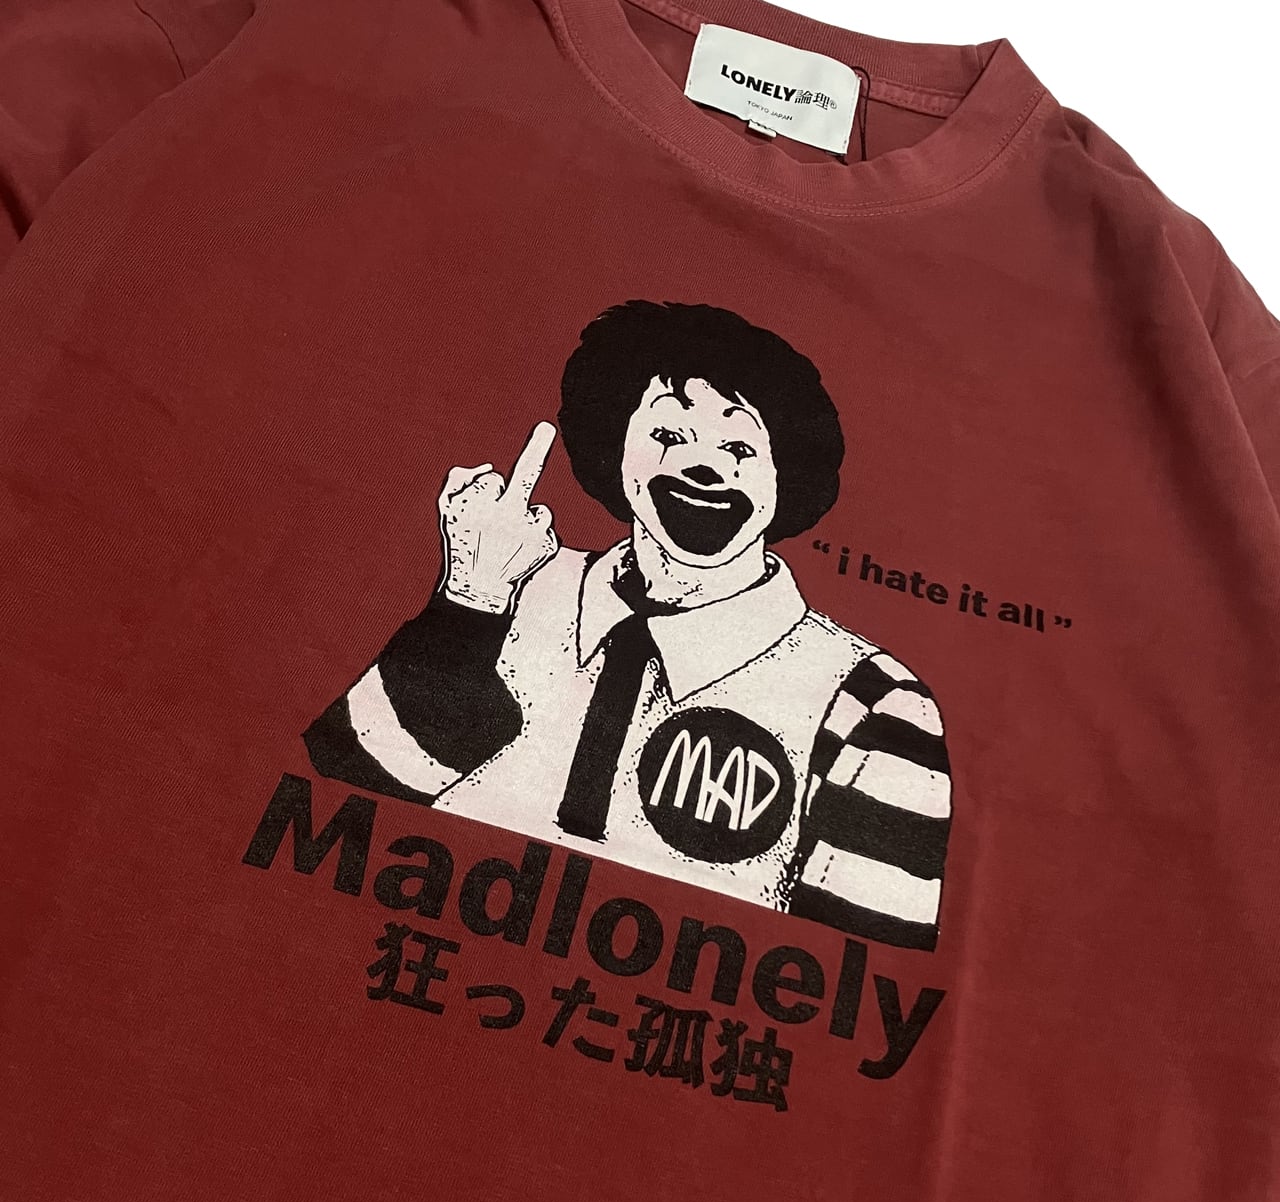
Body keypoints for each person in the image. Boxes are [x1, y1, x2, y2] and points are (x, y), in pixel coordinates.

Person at [305, 300, 952, 950]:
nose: (705, 468)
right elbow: (324, 809)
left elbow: (860, 974)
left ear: (785, 477)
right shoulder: (506, 579)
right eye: (669, 436)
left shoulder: (875, 704)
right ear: (616, 448)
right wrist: (470, 601)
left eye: (738, 447)